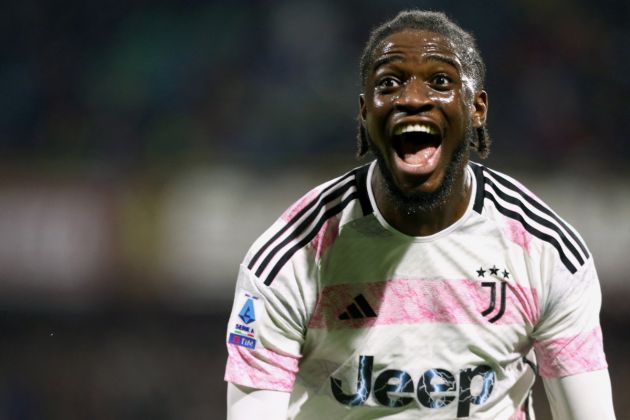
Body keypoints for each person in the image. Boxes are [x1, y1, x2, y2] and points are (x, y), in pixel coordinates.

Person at [224, 9, 616, 419]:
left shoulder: (544, 249)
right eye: (389, 83)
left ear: (477, 108)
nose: (412, 99)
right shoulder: (292, 256)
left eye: (441, 82)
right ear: (364, 111)